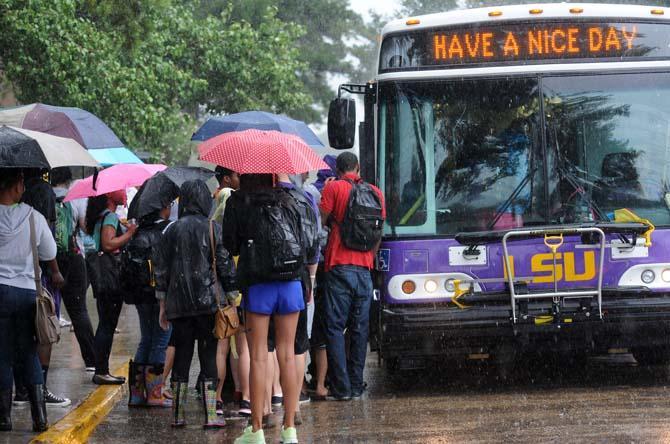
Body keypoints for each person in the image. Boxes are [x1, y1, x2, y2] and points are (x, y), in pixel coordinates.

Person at [223, 174, 303, 444]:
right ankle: (290, 429)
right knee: (287, 355)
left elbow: (230, 244)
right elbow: (303, 240)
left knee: (258, 356)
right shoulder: (289, 200)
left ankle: (256, 431)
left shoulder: (238, 201)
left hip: (258, 285)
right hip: (290, 282)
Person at [154, 180, 238, 429]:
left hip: (179, 306)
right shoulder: (213, 228)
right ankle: (211, 415)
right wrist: (232, 298)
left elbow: (161, 270)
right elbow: (224, 265)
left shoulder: (170, 230)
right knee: (208, 355)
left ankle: (178, 415)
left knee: (182, 355)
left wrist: (162, 305)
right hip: (208, 305)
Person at [320, 152, 386, 401]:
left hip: (338, 266)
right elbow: (378, 230)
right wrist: (369, 256)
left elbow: (323, 220)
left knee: (335, 327)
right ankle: (357, 385)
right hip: (365, 269)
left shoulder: (333, 188)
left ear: (337, 169)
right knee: (360, 329)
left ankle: (342, 388)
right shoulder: (376, 193)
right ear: (358, 167)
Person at [0, 169, 58, 432]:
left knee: (2, 355)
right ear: (15, 186)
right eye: (22, 182)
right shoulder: (34, 217)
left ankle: (4, 418)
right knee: (28, 353)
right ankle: (40, 418)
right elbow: (49, 252)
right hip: (26, 293)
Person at [19, 172, 70, 407]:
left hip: (13, 279)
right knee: (45, 330)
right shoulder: (43, 191)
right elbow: (47, 239)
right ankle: (40, 390)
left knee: (17, 334)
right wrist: (56, 270)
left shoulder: (9, 194)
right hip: (39, 276)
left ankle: (20, 391)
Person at [276, 173, 320, 424]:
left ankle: (266, 409)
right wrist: (311, 281)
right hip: (298, 277)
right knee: (298, 344)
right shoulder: (305, 200)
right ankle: (294, 408)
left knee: (267, 349)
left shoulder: (258, 199)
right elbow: (314, 244)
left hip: (263, 281)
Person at [124, 203, 173, 408]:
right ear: (162, 209)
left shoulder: (138, 233)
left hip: (140, 295)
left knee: (146, 339)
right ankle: (155, 394)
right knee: (161, 341)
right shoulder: (168, 230)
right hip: (161, 293)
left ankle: (137, 395)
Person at [86, 191, 137, 385]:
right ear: (109, 196)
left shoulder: (102, 216)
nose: (124, 193)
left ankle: (101, 369)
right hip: (110, 276)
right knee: (107, 324)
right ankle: (101, 370)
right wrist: (130, 233)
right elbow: (107, 244)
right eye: (120, 190)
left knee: (105, 323)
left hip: (103, 276)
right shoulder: (110, 216)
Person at [50, 168, 96, 372]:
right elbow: (85, 227)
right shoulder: (75, 196)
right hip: (74, 257)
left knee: (44, 310)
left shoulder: (45, 196)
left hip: (49, 259)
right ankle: (91, 361)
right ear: (68, 180)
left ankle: (40, 364)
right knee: (79, 311)